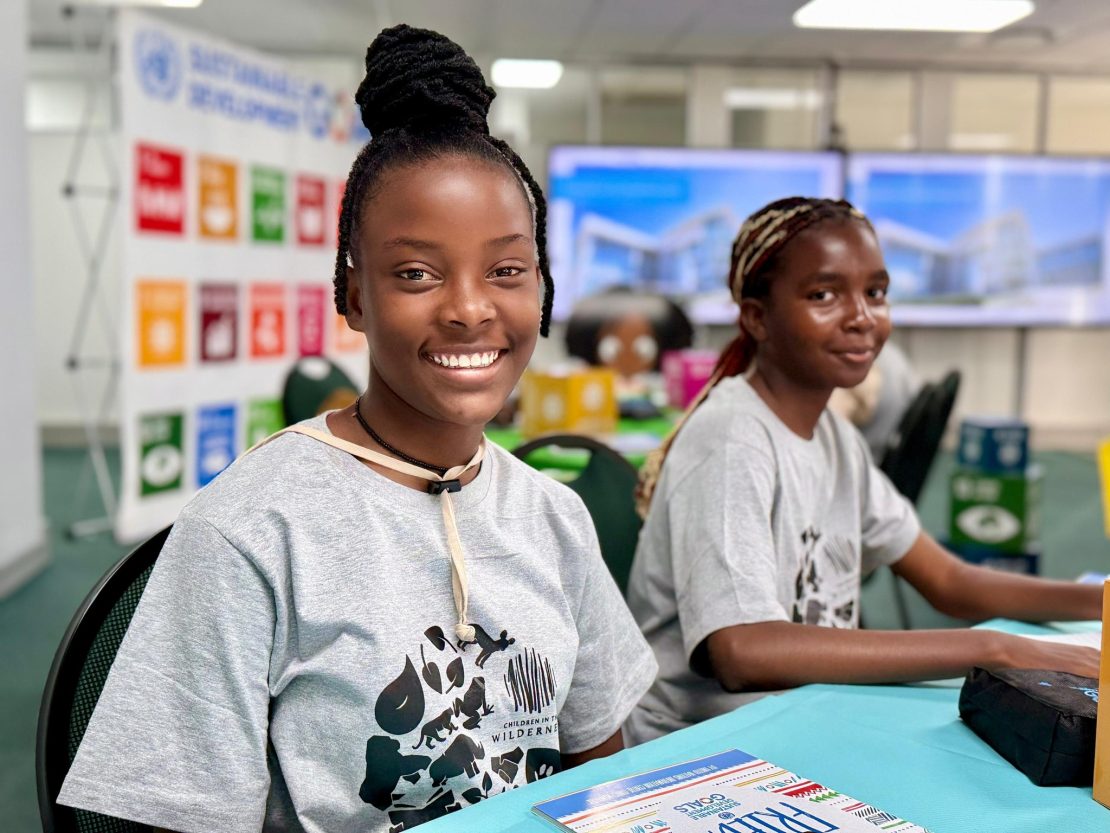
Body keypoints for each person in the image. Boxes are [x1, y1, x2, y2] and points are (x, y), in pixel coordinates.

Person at [59, 25, 655, 833]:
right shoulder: (249, 530)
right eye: (415, 273)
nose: (471, 308)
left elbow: (604, 771)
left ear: (543, 292)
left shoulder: (553, 517)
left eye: (507, 270)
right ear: (352, 295)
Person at [623, 197, 1101, 745]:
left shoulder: (834, 436)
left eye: (876, 292)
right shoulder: (731, 440)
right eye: (823, 295)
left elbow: (949, 581)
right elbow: (744, 651)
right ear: (757, 317)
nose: (861, 317)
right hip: (698, 747)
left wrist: (1100, 599)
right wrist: (996, 649)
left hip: (798, 718)